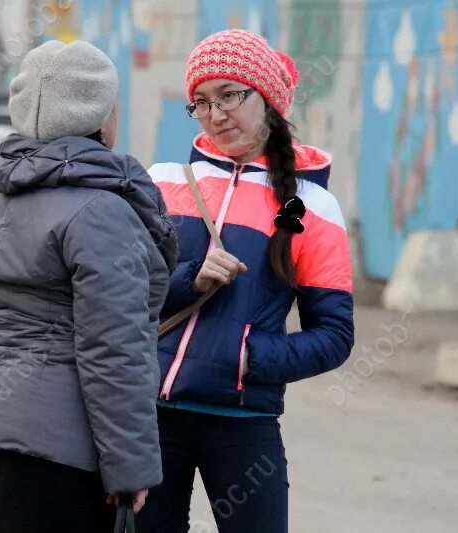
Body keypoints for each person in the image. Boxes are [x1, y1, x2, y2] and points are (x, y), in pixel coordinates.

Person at [0, 39, 179, 533]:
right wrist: (130, 467)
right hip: (64, 447)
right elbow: (113, 347)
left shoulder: (1, 208)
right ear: (101, 118)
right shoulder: (103, 212)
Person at [137, 29, 355, 533]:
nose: (216, 115)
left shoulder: (311, 207)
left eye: (230, 95)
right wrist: (187, 281)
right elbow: (125, 291)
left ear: (268, 99)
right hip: (149, 417)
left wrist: (252, 358)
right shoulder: (161, 182)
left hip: (243, 423)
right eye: (201, 102)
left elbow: (336, 336)